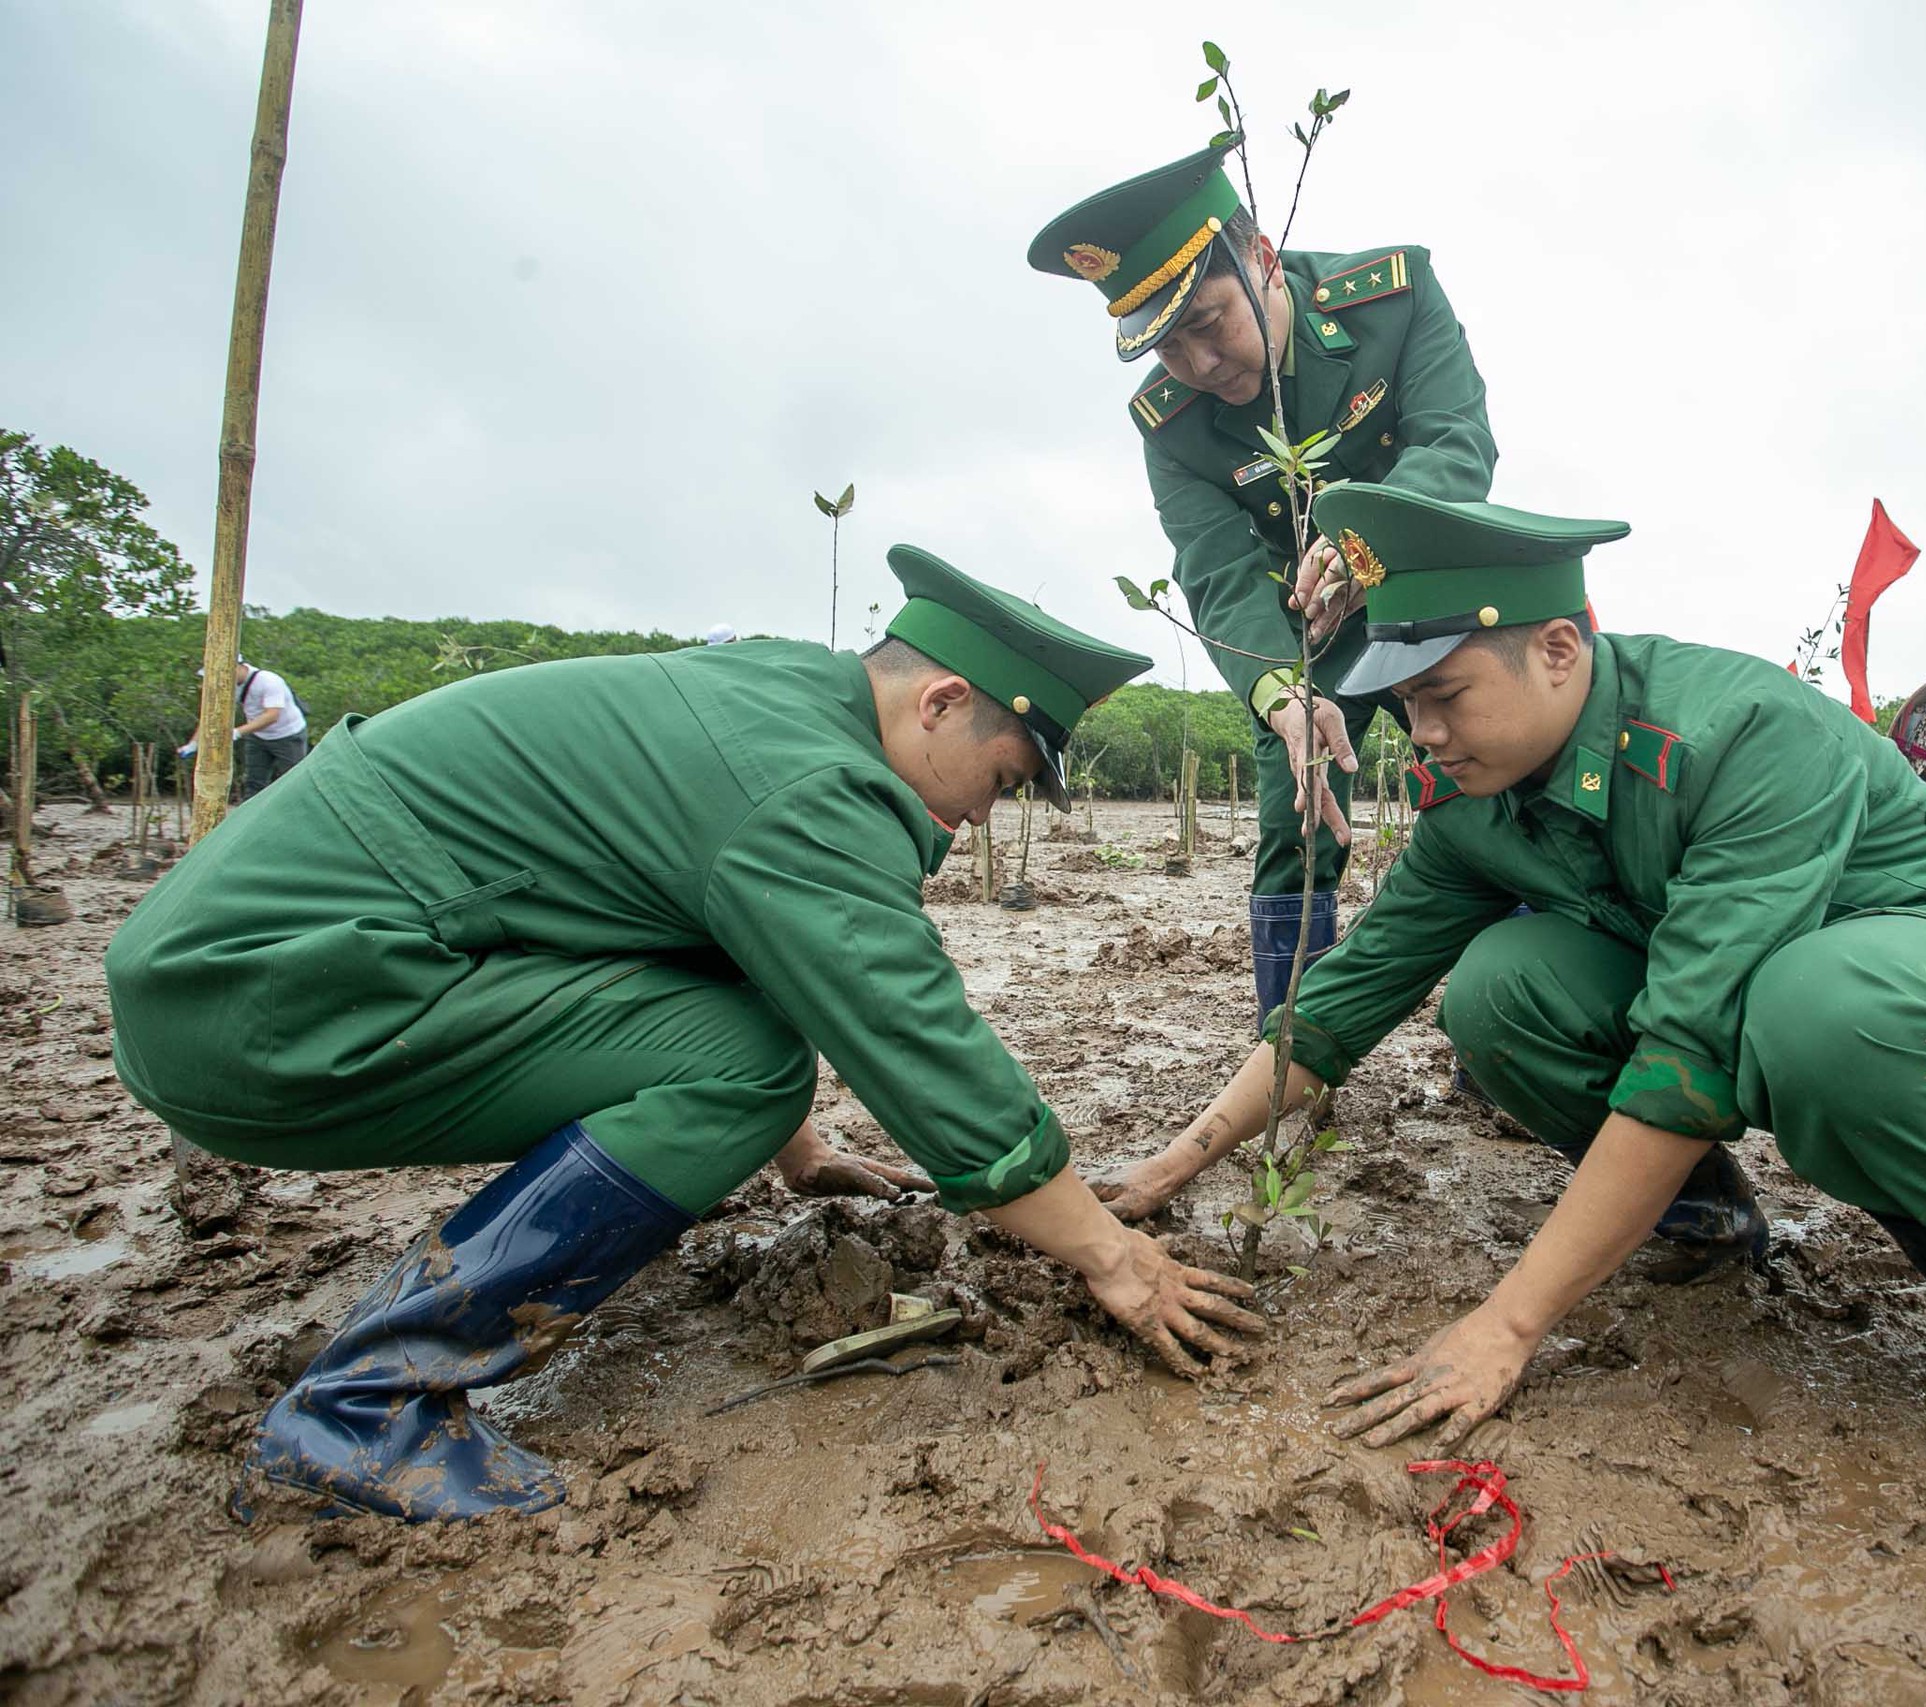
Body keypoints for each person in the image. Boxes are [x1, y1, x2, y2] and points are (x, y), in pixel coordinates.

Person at [106, 549, 1262, 1522]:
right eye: (1002, 778)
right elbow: (915, 1038)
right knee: (742, 1072)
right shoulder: (805, 782)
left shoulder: (767, 697)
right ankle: (364, 1408)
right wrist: (1112, 1255)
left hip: (250, 970)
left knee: (746, 1060)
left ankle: (379, 1387)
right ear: (941, 701)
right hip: (269, 998)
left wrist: (801, 1156)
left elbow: (701, 933)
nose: (981, 815)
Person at [1096, 484, 1926, 1515]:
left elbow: (1684, 1052)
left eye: (1444, 695)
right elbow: (1341, 1001)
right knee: (1500, 992)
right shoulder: (1475, 800)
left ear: (1557, 649)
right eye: (1406, 704)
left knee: (1821, 1011)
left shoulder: (1734, 731)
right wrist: (1174, 1164)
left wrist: (1507, 1327)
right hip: (1752, 982)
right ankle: (1704, 1217)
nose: (1421, 732)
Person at [1027, 146, 1496, 1026]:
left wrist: (1365, 541)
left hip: (1437, 596)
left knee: (1501, 784)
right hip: (1306, 633)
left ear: (1265, 261)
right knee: (1296, 814)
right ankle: (1292, 1045)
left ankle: (1501, 1032)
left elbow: (1458, 447)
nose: (1199, 364)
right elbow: (1217, 569)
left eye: (1209, 322)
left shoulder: (1393, 301)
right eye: (1167, 345)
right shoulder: (1171, 428)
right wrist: (1282, 697)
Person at [180, 658, 309, 797]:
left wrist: (237, 732)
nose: (219, 679)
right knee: (253, 784)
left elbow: (272, 715)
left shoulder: (268, 681)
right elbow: (211, 716)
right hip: (258, 737)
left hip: (288, 736)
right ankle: (252, 816)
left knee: (295, 781)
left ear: (236, 667)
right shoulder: (227, 687)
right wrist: (193, 744)